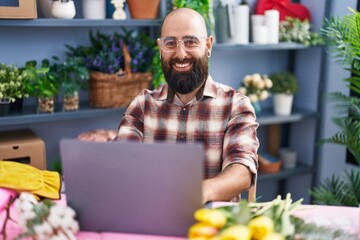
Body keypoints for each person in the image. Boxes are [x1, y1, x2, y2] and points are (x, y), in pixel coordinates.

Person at [114, 8, 259, 204]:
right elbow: (121, 163)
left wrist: (200, 192)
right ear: (160, 48)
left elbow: (242, 171)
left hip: (210, 227)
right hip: (153, 218)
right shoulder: (143, 105)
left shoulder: (235, 105)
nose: (180, 54)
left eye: (190, 42)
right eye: (170, 43)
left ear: (208, 45)